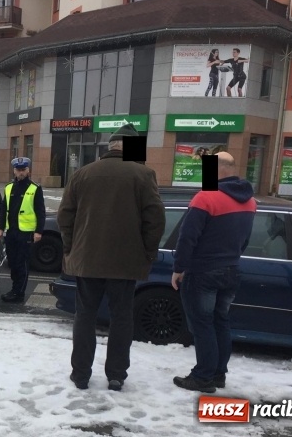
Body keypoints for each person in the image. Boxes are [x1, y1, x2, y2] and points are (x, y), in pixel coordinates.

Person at [58, 123, 166, 392]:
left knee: (85, 316)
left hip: (87, 260)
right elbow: (155, 219)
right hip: (126, 262)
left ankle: (81, 373)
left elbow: (64, 216)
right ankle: (116, 374)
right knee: (122, 318)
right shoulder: (143, 175)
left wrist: (72, 248)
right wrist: (148, 252)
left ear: (110, 148)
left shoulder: (83, 174)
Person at [170, 152, 256, 393]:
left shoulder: (206, 197)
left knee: (202, 325)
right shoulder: (249, 201)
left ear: (220, 170)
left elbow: (187, 237)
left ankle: (202, 377)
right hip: (231, 270)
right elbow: (245, 239)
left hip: (203, 271)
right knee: (220, 322)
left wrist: (179, 268)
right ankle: (218, 374)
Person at [0, 157, 45, 303]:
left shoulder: (35, 188)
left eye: (24, 170)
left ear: (28, 170)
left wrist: (38, 231)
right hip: (12, 232)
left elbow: (40, 211)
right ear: (14, 171)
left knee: (22, 263)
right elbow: (4, 210)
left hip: (26, 232)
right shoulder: (9, 187)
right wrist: (0, 228)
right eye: (18, 170)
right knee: (12, 262)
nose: (21, 173)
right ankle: (14, 288)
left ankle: (19, 293)